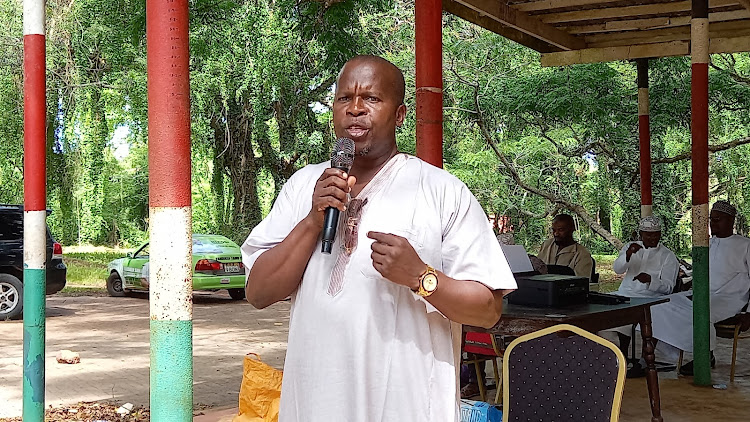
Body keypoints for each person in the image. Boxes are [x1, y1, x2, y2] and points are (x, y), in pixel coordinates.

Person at [241, 55, 517, 421]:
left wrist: (420, 277)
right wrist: (312, 221)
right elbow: (258, 293)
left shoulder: (441, 191)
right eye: (344, 98)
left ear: (399, 115)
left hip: (408, 404)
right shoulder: (302, 187)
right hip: (315, 403)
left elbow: (487, 310)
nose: (355, 109)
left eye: (371, 99)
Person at [646, 200, 750, 376]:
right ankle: (650, 357)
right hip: (702, 293)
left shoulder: (745, 245)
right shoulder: (707, 244)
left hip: (730, 299)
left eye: (718, 219)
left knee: (702, 312)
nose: (713, 223)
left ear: (731, 221)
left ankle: (704, 355)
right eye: (711, 219)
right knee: (658, 305)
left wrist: (749, 312)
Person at [607, 216, 679, 371]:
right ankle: (622, 356)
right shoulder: (630, 247)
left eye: (655, 234)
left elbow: (668, 287)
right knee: (613, 315)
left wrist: (650, 281)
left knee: (654, 315)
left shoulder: (668, 256)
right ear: (641, 234)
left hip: (652, 298)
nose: (652, 237)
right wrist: (628, 255)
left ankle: (645, 359)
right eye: (648, 234)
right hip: (625, 294)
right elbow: (618, 269)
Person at [537, 213, 594, 279]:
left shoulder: (582, 254)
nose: (556, 234)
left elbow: (581, 282)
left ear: (571, 230)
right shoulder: (546, 245)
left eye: (561, 230)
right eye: (554, 230)